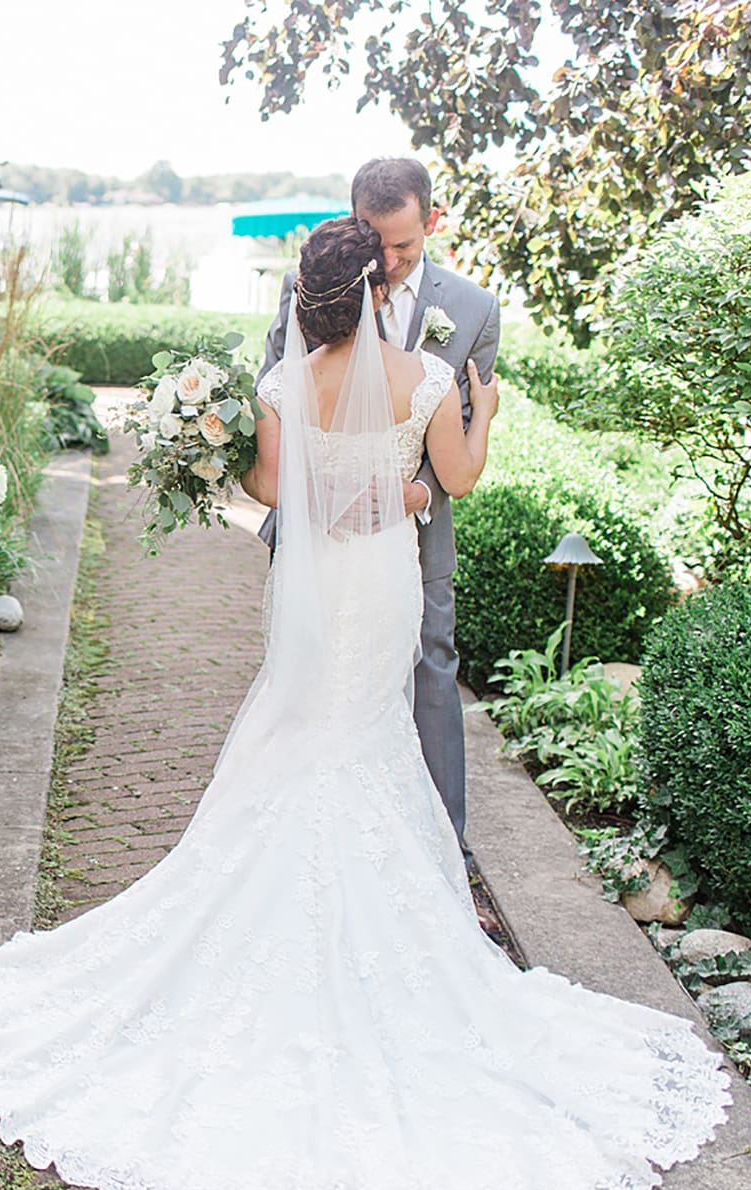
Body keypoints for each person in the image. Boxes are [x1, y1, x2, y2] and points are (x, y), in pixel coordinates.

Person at [0, 217, 729, 1190]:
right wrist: (478, 416)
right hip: (381, 583)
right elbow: (458, 477)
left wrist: (231, 451)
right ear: (369, 289)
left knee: (299, 727)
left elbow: (269, 489)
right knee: (365, 739)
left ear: (305, 298)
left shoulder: (278, 384)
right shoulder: (428, 379)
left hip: (315, 592)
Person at [260, 158, 495, 869]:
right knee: (314, 689)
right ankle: (322, 855)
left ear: (433, 221)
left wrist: (412, 492)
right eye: (377, 245)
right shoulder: (306, 287)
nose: (390, 264)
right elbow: (274, 396)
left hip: (408, 539)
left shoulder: (475, 309)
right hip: (317, 541)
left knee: (429, 675)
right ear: (354, 222)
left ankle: (442, 854)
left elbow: (441, 450)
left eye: (405, 247)